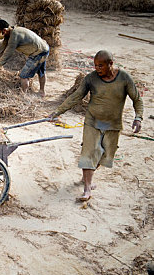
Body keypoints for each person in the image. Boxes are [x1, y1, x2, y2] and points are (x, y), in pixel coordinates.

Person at [50, 50, 143, 201]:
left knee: (104, 156)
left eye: (101, 66)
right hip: (92, 122)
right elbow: (76, 96)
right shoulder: (91, 79)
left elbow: (137, 99)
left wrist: (138, 117)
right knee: (90, 152)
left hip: (113, 125)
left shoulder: (124, 78)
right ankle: (87, 188)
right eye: (95, 65)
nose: (97, 69)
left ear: (111, 64)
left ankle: (87, 177)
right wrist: (57, 112)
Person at [0, 19, 50, 97]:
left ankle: (23, 96)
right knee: (41, 71)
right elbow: (2, 48)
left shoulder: (15, 36)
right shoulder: (10, 32)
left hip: (38, 53)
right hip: (44, 48)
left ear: (4, 30)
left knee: (24, 75)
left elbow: (6, 56)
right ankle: (42, 92)